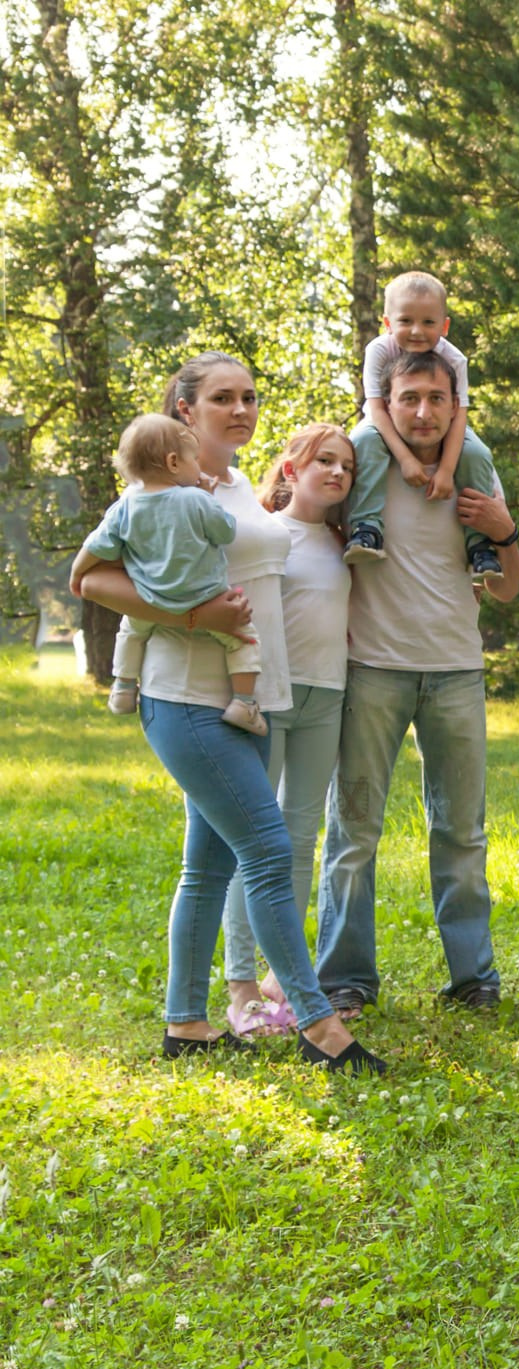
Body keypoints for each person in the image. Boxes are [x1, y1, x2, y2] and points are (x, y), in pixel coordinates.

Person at [70, 352, 383, 1072]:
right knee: (270, 851)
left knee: (206, 866)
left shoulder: (237, 483)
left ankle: (186, 1022)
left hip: (250, 699)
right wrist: (188, 613)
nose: (240, 408)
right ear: (185, 409)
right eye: (221, 398)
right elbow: (88, 577)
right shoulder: (152, 488)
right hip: (185, 697)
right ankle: (319, 1026)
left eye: (248, 395)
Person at [316, 350, 519, 1016]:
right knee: (354, 829)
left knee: (462, 832)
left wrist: (507, 532)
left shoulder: (472, 468)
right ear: (387, 400)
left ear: (453, 402)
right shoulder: (358, 463)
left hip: (456, 670)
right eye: (409, 397)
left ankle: (474, 979)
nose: (423, 412)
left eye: (437, 398)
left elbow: (506, 587)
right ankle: (344, 977)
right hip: (371, 669)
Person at [221, 423, 359, 1036]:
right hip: (267, 699)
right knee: (256, 843)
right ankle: (242, 986)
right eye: (323, 461)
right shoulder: (262, 534)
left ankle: (282, 979)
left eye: (346, 466)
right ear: (290, 469)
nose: (336, 472)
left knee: (302, 834)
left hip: (327, 696)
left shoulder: (344, 540)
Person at [73, 415, 267, 736]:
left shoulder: (127, 505)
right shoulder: (194, 499)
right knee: (244, 640)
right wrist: (208, 497)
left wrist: (76, 573)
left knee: (131, 631)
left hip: (149, 598)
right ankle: (244, 703)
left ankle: (123, 687)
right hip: (205, 596)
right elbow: (225, 532)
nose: (198, 467)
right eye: (194, 459)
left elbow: (97, 546)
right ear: (173, 462)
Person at [343, 271, 505, 580]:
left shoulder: (454, 359)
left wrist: (445, 470)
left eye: (428, 323)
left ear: (444, 326)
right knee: (363, 441)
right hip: (384, 420)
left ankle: (480, 545)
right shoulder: (379, 350)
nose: (417, 331)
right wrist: (404, 458)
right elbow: (376, 407)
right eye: (406, 321)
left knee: (477, 454)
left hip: (443, 424)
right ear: (388, 323)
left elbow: (459, 415)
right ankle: (367, 527)